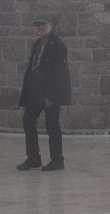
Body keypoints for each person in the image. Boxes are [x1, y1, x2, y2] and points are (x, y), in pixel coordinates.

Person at [17, 14, 71, 172]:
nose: (41, 27)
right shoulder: (36, 45)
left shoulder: (58, 45)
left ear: (51, 26)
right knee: (28, 119)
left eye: (44, 24)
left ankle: (57, 160)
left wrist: (52, 97)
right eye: (39, 25)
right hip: (35, 91)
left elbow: (60, 73)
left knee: (52, 125)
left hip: (50, 92)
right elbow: (33, 67)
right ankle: (33, 158)